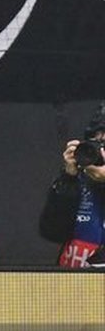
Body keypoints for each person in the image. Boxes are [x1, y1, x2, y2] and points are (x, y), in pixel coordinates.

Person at [39, 105, 105, 267]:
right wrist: (68, 178)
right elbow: (52, 232)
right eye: (99, 142)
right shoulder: (78, 179)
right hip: (72, 278)